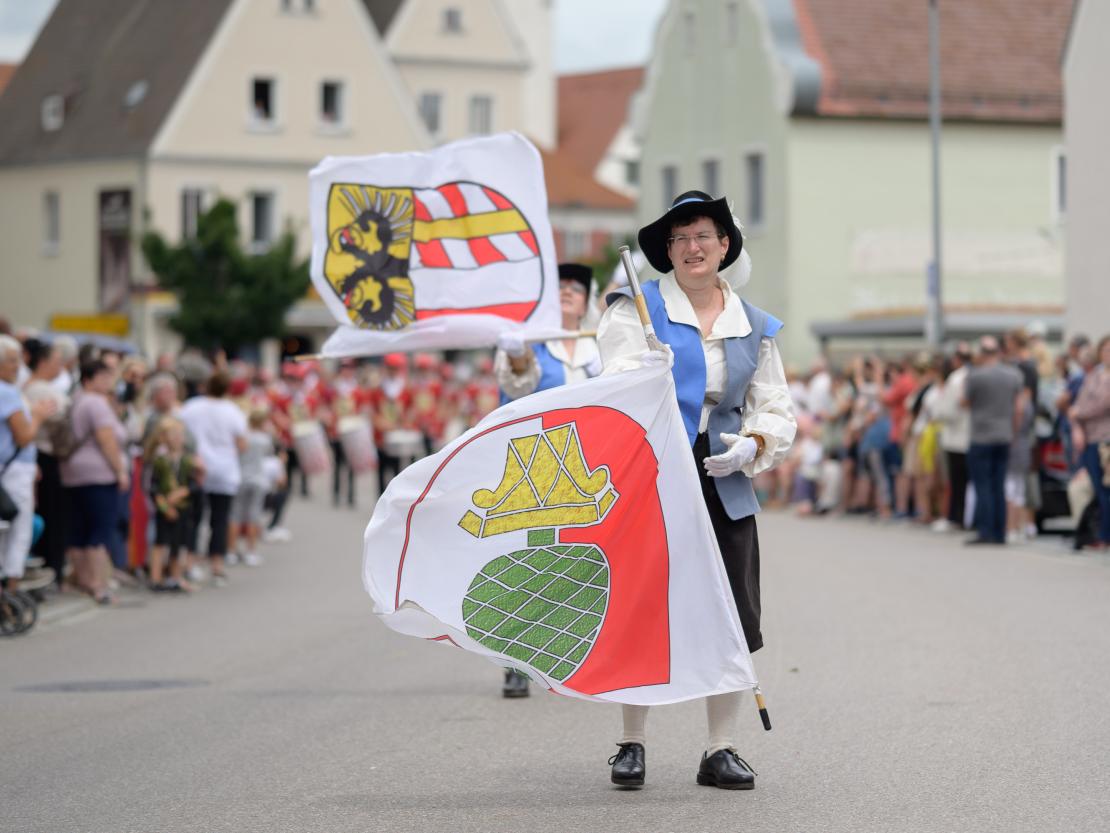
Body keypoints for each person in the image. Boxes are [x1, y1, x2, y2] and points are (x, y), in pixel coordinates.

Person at [598, 191, 796, 790]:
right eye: (680, 239)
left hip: (723, 477)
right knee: (644, 603)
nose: (692, 248)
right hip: (654, 474)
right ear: (667, 252)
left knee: (733, 609)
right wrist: (646, 370)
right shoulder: (637, 308)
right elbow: (615, 378)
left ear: (725, 245)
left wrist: (753, 445)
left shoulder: (755, 325)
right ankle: (630, 743)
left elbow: (776, 404)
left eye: (703, 236)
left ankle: (720, 747)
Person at [492, 262, 602, 698]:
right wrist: (519, 353)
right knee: (530, 564)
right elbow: (518, 386)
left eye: (576, 287)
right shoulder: (530, 343)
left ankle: (567, 653)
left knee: (578, 564)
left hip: (590, 464)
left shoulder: (599, 346)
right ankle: (514, 659)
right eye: (560, 287)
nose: (567, 293)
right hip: (536, 464)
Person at [60, 359, 128, 603]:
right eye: (104, 376)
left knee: (79, 529)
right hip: (98, 473)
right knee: (100, 529)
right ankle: (98, 584)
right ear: (90, 378)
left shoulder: (76, 399)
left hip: (72, 472)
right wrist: (119, 470)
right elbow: (106, 440)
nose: (109, 381)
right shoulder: (96, 403)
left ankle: (83, 581)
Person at [1, 336, 58, 591]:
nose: (18, 365)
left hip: (10, 470)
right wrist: (37, 416)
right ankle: (9, 591)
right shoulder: (7, 392)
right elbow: (23, 436)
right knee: (17, 532)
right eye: (11, 360)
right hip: (12, 474)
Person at [180, 372, 247, 585]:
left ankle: (189, 562)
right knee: (220, 519)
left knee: (194, 518)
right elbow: (242, 444)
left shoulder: (191, 407)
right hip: (224, 470)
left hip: (197, 466)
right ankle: (216, 565)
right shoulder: (233, 411)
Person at [963, 336, 1024, 545]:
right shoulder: (1013, 375)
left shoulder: (975, 376)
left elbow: (964, 402)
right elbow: (1018, 409)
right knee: (999, 485)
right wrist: (1013, 433)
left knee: (983, 485)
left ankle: (986, 530)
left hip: (981, 436)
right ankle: (1000, 532)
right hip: (1004, 435)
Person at [21, 338, 70, 585]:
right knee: (50, 515)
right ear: (43, 362)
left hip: (41, 455)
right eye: (56, 361)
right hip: (44, 455)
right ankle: (51, 568)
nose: (60, 366)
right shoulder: (39, 390)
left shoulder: (28, 388)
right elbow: (61, 422)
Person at [145, 416, 198, 592]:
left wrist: (183, 492)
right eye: (173, 435)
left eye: (179, 435)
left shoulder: (188, 460)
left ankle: (175, 576)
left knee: (179, 543)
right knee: (160, 542)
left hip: (183, 507)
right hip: (165, 509)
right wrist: (165, 507)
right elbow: (153, 488)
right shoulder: (159, 461)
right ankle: (156, 577)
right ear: (163, 437)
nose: (177, 438)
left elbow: (193, 483)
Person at [1070, 335, 1110, 550]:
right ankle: (1100, 534)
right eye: (1104, 350)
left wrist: (1079, 413)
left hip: (1107, 439)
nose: (1107, 354)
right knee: (1096, 488)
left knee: (1106, 490)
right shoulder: (1094, 375)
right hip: (1090, 438)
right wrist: (1077, 422)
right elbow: (1080, 402)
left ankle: (1105, 536)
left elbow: (1101, 404)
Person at [934, 344, 972, 531]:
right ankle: (962, 517)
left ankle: (956, 517)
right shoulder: (972, 375)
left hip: (956, 436)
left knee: (957, 481)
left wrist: (937, 413)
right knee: (964, 482)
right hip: (969, 435)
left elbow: (948, 411)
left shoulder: (956, 379)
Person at [229, 409, 274, 567]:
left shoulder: (244, 437)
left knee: (235, 515)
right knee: (253, 516)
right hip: (257, 479)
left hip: (241, 477)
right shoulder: (264, 439)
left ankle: (232, 551)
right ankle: (250, 551)